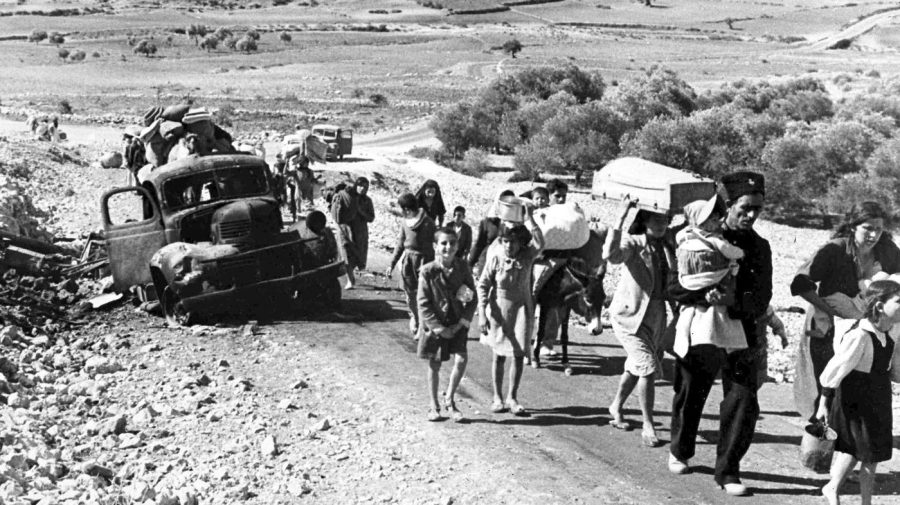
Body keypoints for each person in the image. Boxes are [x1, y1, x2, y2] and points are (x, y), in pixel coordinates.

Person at [667, 172, 772, 497]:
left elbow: (762, 296)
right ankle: (680, 450)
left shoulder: (759, 247)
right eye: (745, 208)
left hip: (742, 334)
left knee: (743, 399)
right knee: (691, 392)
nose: (751, 215)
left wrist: (733, 301)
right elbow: (674, 286)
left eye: (757, 209)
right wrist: (703, 296)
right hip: (701, 331)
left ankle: (727, 471)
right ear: (728, 205)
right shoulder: (694, 235)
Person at [791, 201, 900, 423]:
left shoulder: (887, 249)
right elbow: (800, 284)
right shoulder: (836, 249)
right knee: (823, 375)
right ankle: (818, 431)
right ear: (853, 226)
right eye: (867, 228)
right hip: (827, 317)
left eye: (878, 229)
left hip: (864, 322)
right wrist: (827, 311)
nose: (873, 235)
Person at [816, 280, 900, 505]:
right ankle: (855, 498)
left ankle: (835, 488)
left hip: (879, 397)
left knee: (868, 453)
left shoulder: (892, 332)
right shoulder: (860, 335)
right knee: (866, 452)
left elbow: (893, 372)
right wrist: (823, 404)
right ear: (880, 306)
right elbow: (835, 369)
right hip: (856, 399)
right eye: (899, 301)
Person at [603, 200, 675, 447]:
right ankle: (648, 424)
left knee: (636, 366)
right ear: (644, 220)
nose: (662, 224)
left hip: (655, 316)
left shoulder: (667, 246)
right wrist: (620, 217)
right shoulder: (633, 243)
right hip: (628, 316)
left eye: (665, 219)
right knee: (648, 368)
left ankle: (616, 406)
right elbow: (611, 256)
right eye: (656, 219)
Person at [477, 206, 544, 416]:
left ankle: (512, 397)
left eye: (513, 242)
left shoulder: (527, 256)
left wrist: (530, 217)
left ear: (521, 243)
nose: (508, 246)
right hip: (499, 309)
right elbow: (483, 284)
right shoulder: (495, 257)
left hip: (522, 309)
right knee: (498, 355)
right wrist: (481, 312)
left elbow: (541, 242)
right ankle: (497, 397)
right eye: (505, 241)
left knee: (517, 355)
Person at [417, 227, 478, 422]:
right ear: (435, 246)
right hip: (437, 325)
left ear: (458, 245)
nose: (448, 247)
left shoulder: (463, 267)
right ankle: (433, 404)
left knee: (461, 360)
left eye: (452, 243)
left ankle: (450, 399)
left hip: (457, 322)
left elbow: (473, 298)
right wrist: (439, 328)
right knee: (435, 364)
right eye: (443, 243)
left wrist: (462, 323)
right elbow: (423, 303)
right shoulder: (427, 271)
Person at [387, 193, 436, 336]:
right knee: (409, 294)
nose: (401, 211)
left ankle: (422, 325)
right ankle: (414, 316)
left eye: (402, 208)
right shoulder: (404, 222)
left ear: (407, 209)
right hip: (408, 262)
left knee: (423, 295)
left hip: (424, 262)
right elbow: (400, 244)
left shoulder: (428, 223)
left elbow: (437, 244)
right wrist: (392, 263)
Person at [331, 180, 370, 289]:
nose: (363, 189)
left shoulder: (367, 201)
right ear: (356, 186)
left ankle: (351, 274)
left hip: (360, 233)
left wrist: (360, 211)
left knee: (358, 256)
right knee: (345, 255)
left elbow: (371, 217)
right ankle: (350, 279)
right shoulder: (343, 197)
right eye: (361, 186)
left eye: (366, 187)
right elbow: (336, 216)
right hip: (344, 231)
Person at [468, 189, 515, 273]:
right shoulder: (487, 222)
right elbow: (479, 244)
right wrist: (470, 263)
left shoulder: (518, 224)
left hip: (507, 267)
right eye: (504, 200)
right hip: (487, 264)